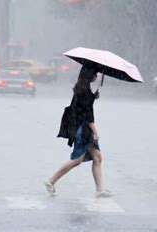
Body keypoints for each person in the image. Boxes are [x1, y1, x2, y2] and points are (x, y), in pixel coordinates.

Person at [44, 66, 113, 198]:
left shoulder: (83, 89)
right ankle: (51, 181)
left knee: (97, 157)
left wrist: (93, 97)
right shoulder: (84, 92)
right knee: (77, 160)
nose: (97, 76)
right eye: (95, 73)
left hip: (81, 127)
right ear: (89, 74)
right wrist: (95, 132)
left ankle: (100, 190)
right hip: (83, 130)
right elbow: (87, 116)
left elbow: (84, 108)